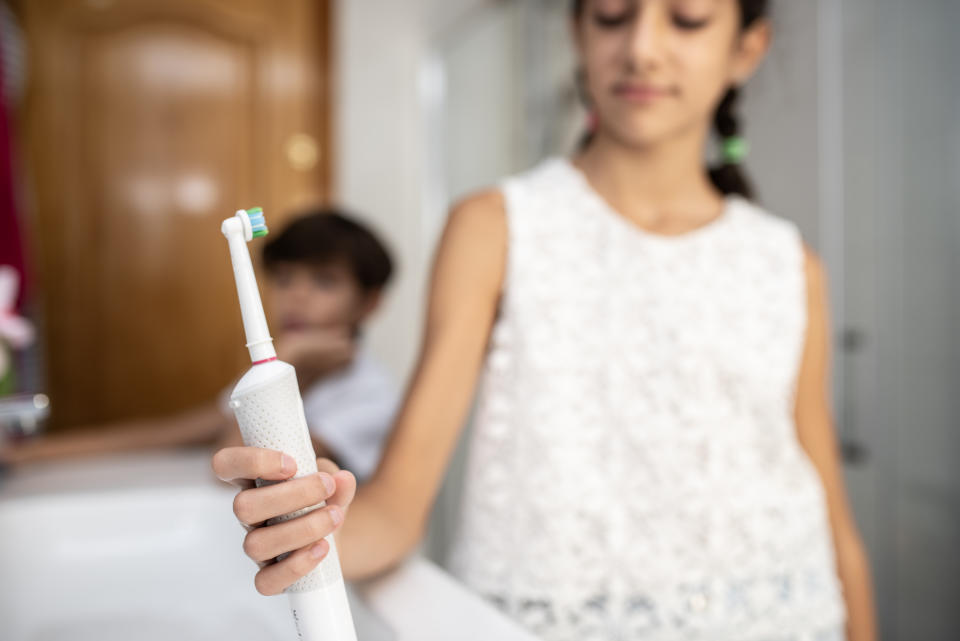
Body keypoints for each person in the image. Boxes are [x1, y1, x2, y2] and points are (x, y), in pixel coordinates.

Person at [212, 1, 877, 639]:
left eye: (688, 18)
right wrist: (311, 526)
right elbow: (394, 511)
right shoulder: (496, 228)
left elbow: (834, 522)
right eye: (613, 16)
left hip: (790, 617)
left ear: (747, 48)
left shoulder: (789, 263)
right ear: (578, 34)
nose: (642, 48)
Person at [3, 209, 399, 484]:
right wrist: (24, 456)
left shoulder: (369, 397)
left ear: (370, 302)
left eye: (323, 282)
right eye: (284, 278)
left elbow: (238, 466)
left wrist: (288, 358)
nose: (295, 296)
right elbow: (165, 434)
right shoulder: (287, 370)